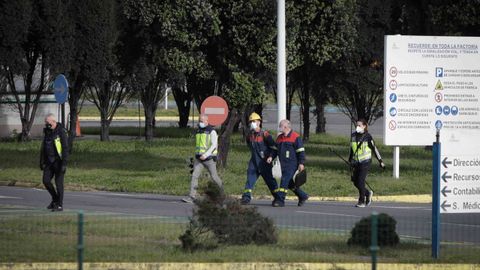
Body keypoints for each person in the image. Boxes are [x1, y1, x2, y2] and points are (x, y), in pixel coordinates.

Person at [182, 114, 223, 203]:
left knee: (214, 176)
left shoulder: (212, 131)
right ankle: (192, 196)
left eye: (201, 121)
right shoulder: (199, 130)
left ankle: (222, 193)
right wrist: (197, 154)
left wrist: (206, 154)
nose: (200, 122)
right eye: (199, 120)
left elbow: (214, 145)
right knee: (194, 176)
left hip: (209, 159)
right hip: (199, 159)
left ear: (206, 121)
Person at [267, 119, 308, 207]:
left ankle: (280, 200)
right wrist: (271, 157)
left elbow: (301, 152)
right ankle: (303, 196)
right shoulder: (279, 138)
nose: (279, 128)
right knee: (289, 183)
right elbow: (275, 150)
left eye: (280, 126)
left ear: (285, 127)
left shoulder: (295, 137)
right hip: (283, 164)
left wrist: (301, 163)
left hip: (292, 164)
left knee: (284, 181)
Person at [240, 112, 279, 205]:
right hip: (254, 163)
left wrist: (270, 157)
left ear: (259, 122)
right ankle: (246, 197)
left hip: (264, 163)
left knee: (270, 182)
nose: (252, 123)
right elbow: (250, 146)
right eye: (251, 121)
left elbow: (274, 148)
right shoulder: (250, 135)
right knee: (250, 180)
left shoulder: (265, 134)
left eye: (253, 121)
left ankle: (278, 198)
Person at [349, 119, 385, 208]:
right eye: (356, 125)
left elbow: (374, 149)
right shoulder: (353, 135)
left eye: (359, 125)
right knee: (355, 182)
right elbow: (351, 149)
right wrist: (350, 160)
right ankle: (367, 193)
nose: (357, 127)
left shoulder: (368, 137)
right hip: (356, 162)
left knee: (360, 181)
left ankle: (361, 201)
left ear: (364, 126)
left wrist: (380, 161)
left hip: (366, 162)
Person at [40, 113, 68, 212]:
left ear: (53, 122)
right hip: (49, 162)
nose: (46, 125)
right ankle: (55, 199)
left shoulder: (61, 131)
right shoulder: (47, 131)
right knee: (46, 181)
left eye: (48, 123)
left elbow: (65, 148)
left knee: (58, 183)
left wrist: (64, 163)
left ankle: (59, 205)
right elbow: (43, 147)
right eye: (45, 123)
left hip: (59, 162)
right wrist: (41, 161)